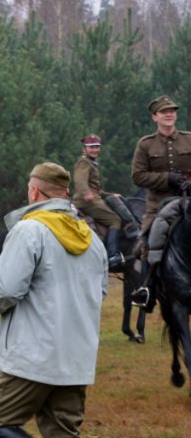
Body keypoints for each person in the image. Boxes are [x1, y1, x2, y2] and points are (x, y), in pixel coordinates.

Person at [0, 162, 106, 438]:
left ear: (34, 191)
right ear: (64, 193)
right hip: (77, 356)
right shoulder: (92, 237)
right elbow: (100, 293)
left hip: (33, 355)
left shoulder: (29, 229)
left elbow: (5, 291)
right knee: (64, 435)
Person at [130, 95, 191, 309]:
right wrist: (167, 178)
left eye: (172, 110)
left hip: (188, 203)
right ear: (155, 116)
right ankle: (146, 290)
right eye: (164, 111)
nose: (169, 114)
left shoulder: (189, 139)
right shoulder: (146, 144)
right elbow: (138, 176)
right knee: (149, 242)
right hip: (159, 207)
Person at [72, 134, 125, 271]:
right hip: (86, 201)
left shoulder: (91, 163)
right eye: (91, 147)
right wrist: (86, 193)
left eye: (96, 147)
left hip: (93, 197)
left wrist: (110, 195)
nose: (94, 150)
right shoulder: (84, 162)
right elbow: (80, 180)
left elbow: (96, 189)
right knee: (115, 220)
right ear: (84, 149)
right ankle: (112, 255)